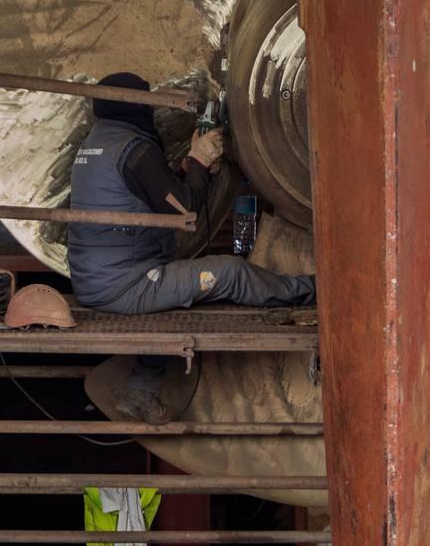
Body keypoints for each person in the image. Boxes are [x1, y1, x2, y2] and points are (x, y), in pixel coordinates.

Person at [68, 72, 316, 422]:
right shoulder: (134, 150)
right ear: (139, 105)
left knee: (174, 293)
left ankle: (141, 389)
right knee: (230, 273)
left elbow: (153, 192)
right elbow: (184, 212)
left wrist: (189, 167)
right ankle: (313, 291)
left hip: (96, 280)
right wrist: (199, 161)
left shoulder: (99, 142)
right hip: (126, 285)